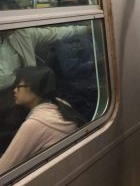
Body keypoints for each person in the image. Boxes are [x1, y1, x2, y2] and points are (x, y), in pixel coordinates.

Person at [0, 25, 89, 154]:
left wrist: (89, 28)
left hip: (22, 98)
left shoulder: (22, 34)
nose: (11, 30)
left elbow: (56, 33)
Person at [0, 66, 85, 173]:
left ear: (33, 88)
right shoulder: (60, 104)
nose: (14, 90)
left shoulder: (35, 124)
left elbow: (3, 170)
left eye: (18, 86)